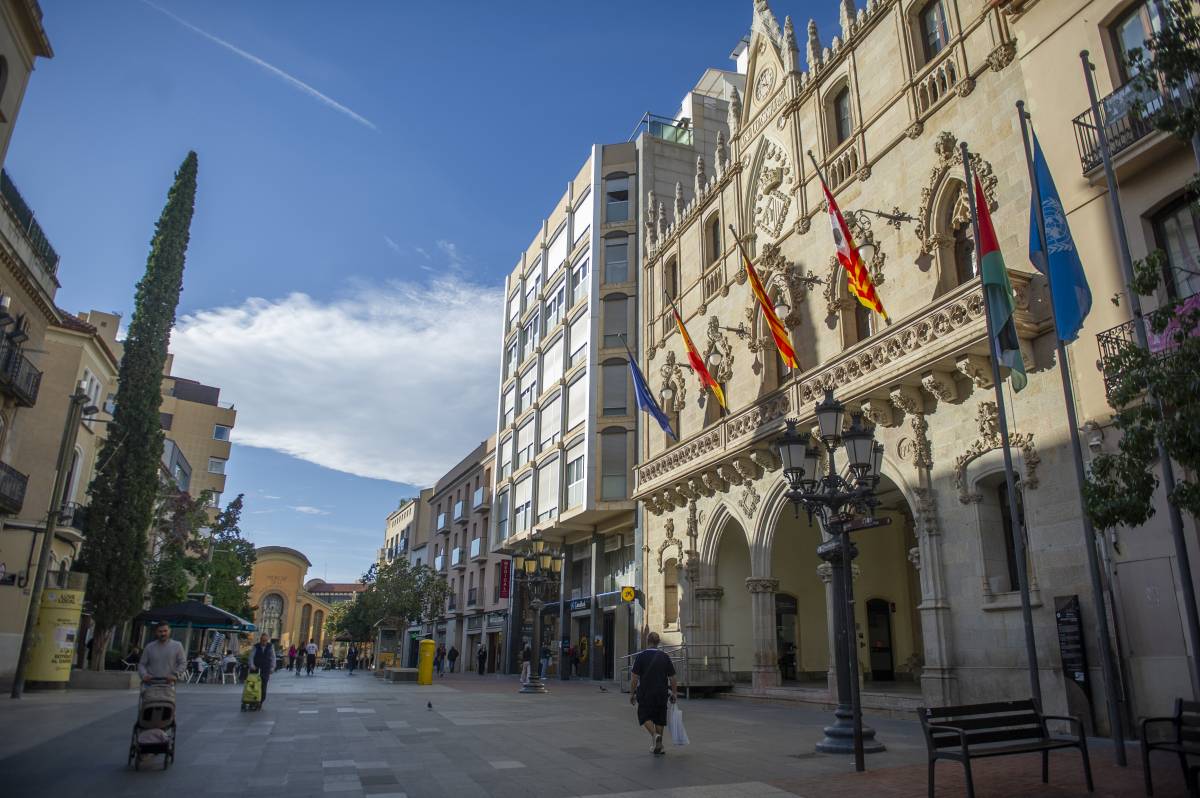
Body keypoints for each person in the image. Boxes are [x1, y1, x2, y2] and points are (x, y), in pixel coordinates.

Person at [629, 631, 678, 756]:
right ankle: (659, 746)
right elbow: (672, 677)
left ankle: (655, 736)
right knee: (659, 718)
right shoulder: (665, 656)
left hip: (646, 692)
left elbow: (634, 678)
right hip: (662, 692)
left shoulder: (641, 656)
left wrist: (632, 693)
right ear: (658, 642)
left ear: (647, 641)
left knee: (644, 715)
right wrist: (674, 693)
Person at [248, 633, 276, 703]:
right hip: (255, 669)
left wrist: (272, 667)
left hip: (266, 669)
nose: (264, 642)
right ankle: (252, 699)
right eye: (263, 640)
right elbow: (251, 657)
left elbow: (273, 657)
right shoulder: (256, 646)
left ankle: (261, 700)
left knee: (263, 685)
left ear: (267, 640)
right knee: (253, 684)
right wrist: (252, 665)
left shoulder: (270, 646)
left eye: (265, 640)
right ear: (260, 640)